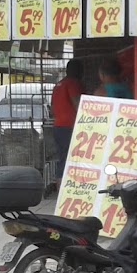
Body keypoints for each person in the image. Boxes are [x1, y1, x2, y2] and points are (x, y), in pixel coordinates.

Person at [50, 60, 84, 190]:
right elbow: (78, 104)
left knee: (62, 158)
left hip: (58, 126)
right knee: (74, 159)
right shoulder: (73, 84)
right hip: (71, 127)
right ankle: (68, 190)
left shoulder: (58, 85)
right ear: (79, 71)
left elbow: (52, 108)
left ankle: (60, 190)